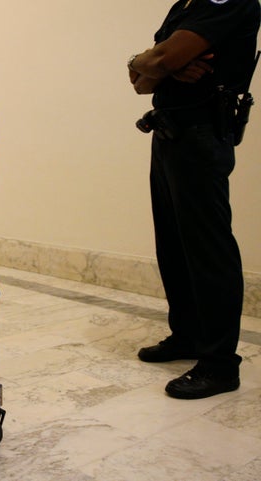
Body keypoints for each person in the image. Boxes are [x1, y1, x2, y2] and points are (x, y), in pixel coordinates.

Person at [128, 0, 260, 399]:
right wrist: (148, 61)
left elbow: (164, 57)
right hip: (169, 132)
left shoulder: (226, 1)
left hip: (202, 134)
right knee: (173, 243)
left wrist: (158, 61)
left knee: (208, 248)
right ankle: (186, 335)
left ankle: (220, 364)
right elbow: (140, 80)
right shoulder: (184, 5)